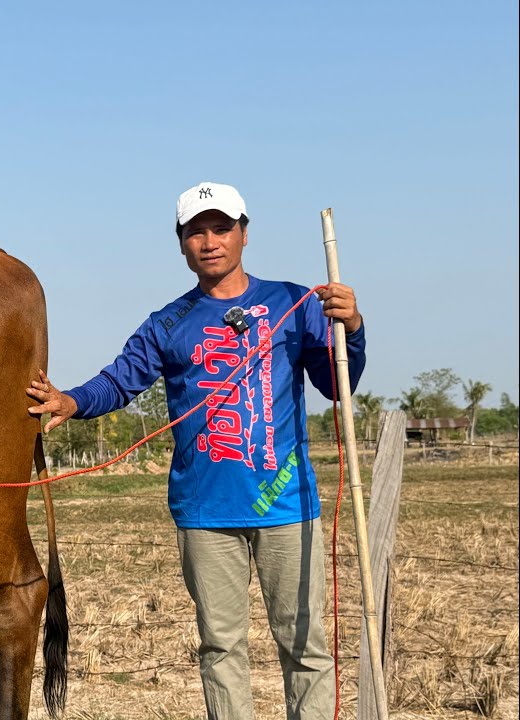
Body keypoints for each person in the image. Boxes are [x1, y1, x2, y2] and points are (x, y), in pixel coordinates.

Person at [25, 181, 365, 719]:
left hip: (286, 502)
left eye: (222, 228)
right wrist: (71, 400)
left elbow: (337, 381)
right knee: (221, 648)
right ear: (181, 243)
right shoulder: (169, 322)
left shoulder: (294, 302)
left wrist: (352, 325)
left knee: (305, 646)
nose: (210, 241)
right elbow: (119, 381)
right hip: (205, 512)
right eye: (196, 231)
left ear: (245, 235)